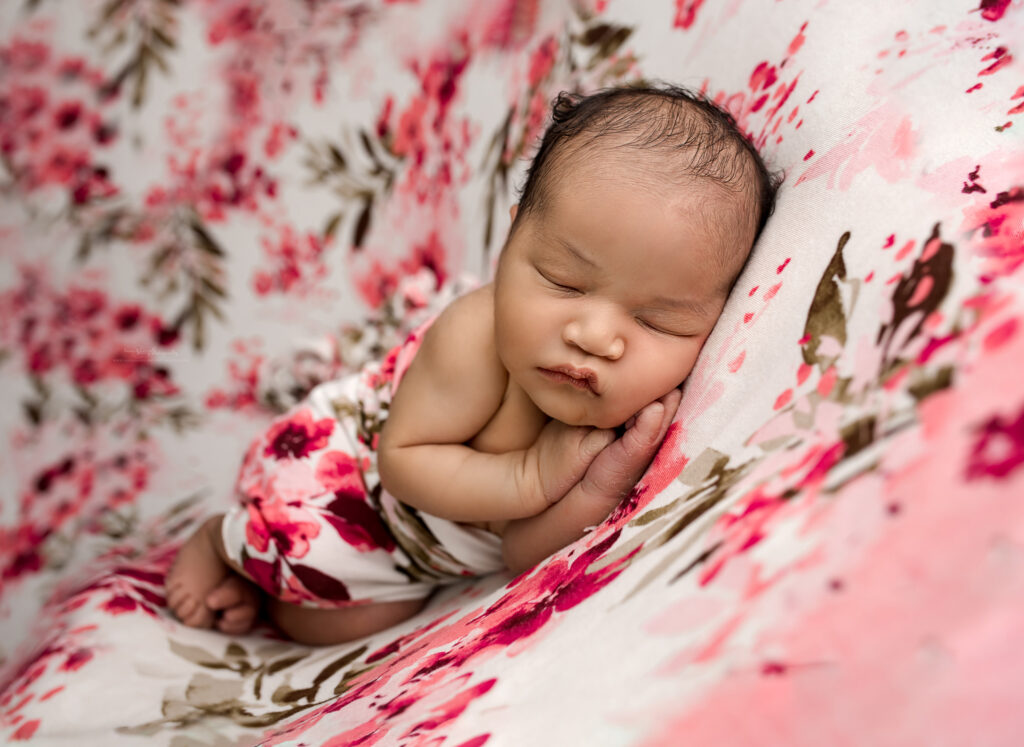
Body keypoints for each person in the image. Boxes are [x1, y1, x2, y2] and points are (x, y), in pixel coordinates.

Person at [164, 84, 780, 645]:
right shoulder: (476, 338)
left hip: (413, 555)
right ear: (511, 243)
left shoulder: (625, 407)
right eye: (563, 282)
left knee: (326, 622)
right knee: (310, 567)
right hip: (346, 479)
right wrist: (533, 478)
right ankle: (223, 540)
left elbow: (516, 552)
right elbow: (402, 463)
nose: (594, 336)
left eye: (656, 322)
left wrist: (599, 484)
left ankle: (254, 584)